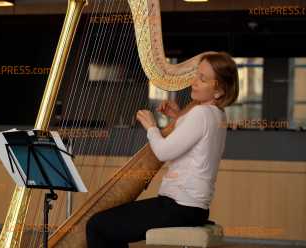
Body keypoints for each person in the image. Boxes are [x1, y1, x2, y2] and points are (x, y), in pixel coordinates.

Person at [86, 51, 239, 248]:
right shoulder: (217, 115)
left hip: (178, 207)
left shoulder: (200, 113)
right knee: (112, 228)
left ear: (219, 91)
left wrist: (151, 126)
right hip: (194, 209)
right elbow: (195, 141)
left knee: (97, 225)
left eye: (203, 79)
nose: (194, 82)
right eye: (196, 75)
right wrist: (178, 117)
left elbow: (164, 152)